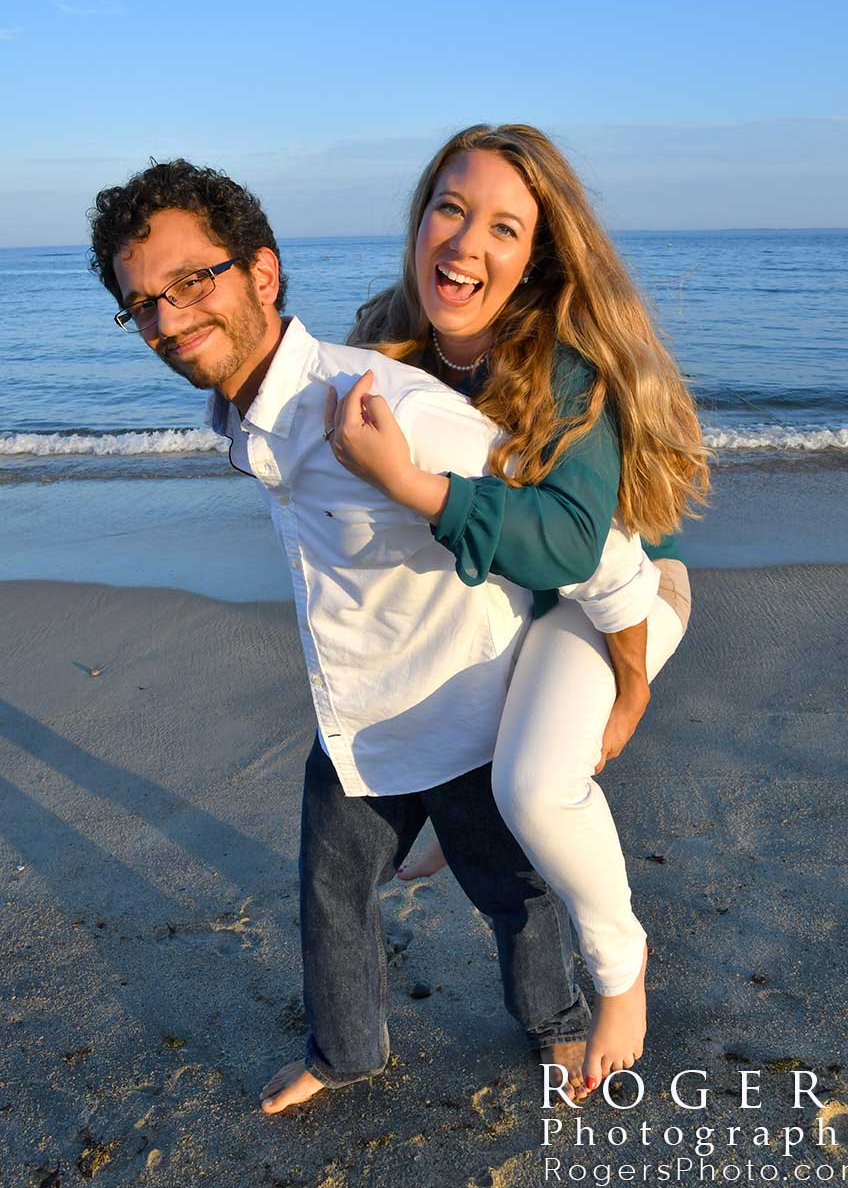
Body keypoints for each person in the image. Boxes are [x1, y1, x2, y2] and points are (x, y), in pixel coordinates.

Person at [87, 159, 664, 1114]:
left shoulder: (384, 410)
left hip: (465, 706)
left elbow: (591, 551)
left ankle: (560, 1022)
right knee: (329, 889)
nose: (169, 318)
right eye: (143, 302)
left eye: (193, 282)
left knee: (510, 895)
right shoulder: (238, 414)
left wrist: (632, 676)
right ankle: (346, 1049)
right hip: (354, 711)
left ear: (262, 275)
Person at [323, 123, 708, 1090]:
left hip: (620, 595)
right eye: (450, 210)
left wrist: (630, 686)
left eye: (504, 227)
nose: (466, 244)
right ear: (419, 221)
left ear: (536, 255)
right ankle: (457, 818)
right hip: (510, 602)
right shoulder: (386, 342)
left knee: (533, 788)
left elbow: (577, 547)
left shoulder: (564, 361)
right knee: (438, 763)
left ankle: (622, 969)